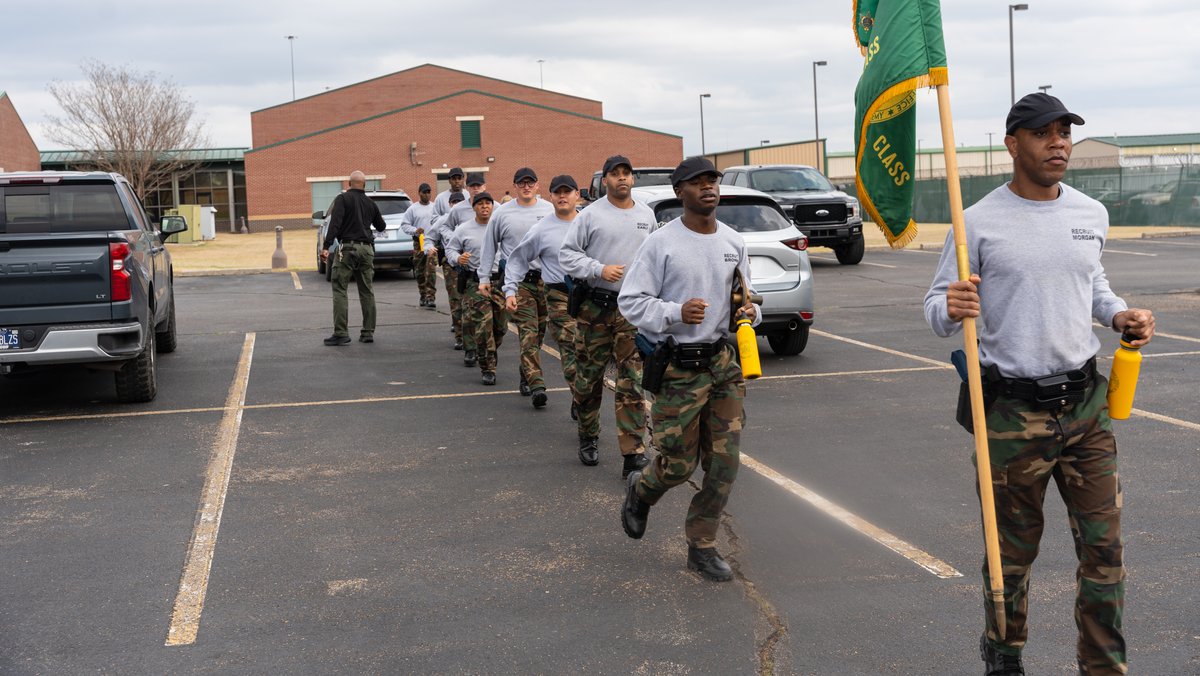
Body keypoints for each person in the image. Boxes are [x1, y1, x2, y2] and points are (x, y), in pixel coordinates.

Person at [923, 92, 1155, 676]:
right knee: (1011, 556)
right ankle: (1005, 653)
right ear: (1012, 144)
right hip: (1009, 414)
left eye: (1065, 133)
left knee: (1105, 553)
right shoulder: (973, 220)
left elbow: (1093, 284)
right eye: (1043, 134)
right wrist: (951, 306)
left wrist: (1119, 313)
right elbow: (933, 308)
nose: (1059, 144)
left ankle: (1103, 667)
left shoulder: (1088, 213)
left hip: (1085, 407)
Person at [617, 157, 759, 582]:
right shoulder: (662, 243)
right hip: (679, 367)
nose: (707, 187)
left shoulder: (733, 242)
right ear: (680, 192)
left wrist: (749, 310)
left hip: (722, 365)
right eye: (696, 183)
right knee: (678, 465)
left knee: (723, 463)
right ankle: (642, 491)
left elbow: (742, 298)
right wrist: (676, 312)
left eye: (712, 180)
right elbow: (632, 301)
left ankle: (702, 545)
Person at [560, 155, 654, 477]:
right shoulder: (590, 216)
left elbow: (654, 258)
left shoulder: (646, 215)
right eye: (615, 174)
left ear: (633, 179)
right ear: (605, 180)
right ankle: (588, 435)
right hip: (595, 308)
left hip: (631, 309)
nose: (622, 179)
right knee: (589, 379)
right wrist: (598, 269)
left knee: (632, 381)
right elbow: (567, 256)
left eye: (627, 173)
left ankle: (633, 452)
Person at [503, 174, 582, 411]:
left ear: (577, 195)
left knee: (588, 353)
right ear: (550, 196)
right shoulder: (542, 228)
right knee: (569, 344)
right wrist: (510, 290)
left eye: (567, 192)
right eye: (557, 192)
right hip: (558, 294)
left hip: (590, 296)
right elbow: (517, 260)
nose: (562, 196)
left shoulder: (590, 223)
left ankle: (583, 395)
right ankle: (580, 399)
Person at [480, 167, 554, 402]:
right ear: (515, 186)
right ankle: (536, 384)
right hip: (519, 282)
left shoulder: (549, 210)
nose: (526, 186)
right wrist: (484, 278)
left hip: (545, 281)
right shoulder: (502, 213)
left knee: (540, 332)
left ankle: (526, 372)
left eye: (530, 182)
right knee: (528, 332)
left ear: (537, 185)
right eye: (521, 183)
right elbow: (489, 246)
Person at [446, 192, 507, 386]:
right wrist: (457, 258)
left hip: (500, 282)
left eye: (488, 203)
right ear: (473, 207)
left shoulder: (501, 227)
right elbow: (450, 249)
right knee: (482, 327)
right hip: (476, 283)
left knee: (500, 327)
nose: (484, 207)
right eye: (480, 204)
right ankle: (488, 367)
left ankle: (490, 351)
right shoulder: (464, 229)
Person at [321, 170, 386, 346]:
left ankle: (341, 333)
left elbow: (335, 224)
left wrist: (326, 247)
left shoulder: (343, 199)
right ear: (364, 185)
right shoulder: (370, 203)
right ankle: (367, 332)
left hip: (347, 248)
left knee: (340, 289)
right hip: (366, 250)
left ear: (349, 184)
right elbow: (381, 226)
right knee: (366, 290)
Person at [427, 190, 467, 348]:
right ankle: (460, 337)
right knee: (456, 299)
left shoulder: (472, 219)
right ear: (449, 204)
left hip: (471, 265)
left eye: (459, 203)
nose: (456, 206)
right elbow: (430, 237)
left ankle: (474, 335)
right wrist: (429, 248)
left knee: (471, 301)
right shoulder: (443, 220)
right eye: (454, 203)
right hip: (451, 266)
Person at [400, 183, 438, 308]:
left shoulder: (435, 207)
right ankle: (423, 295)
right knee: (420, 271)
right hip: (419, 243)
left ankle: (430, 297)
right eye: (424, 192)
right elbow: (405, 225)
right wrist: (415, 230)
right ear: (419, 193)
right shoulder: (412, 209)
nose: (427, 194)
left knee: (431, 270)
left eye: (428, 192)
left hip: (432, 243)